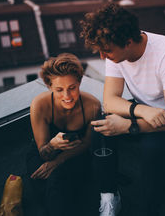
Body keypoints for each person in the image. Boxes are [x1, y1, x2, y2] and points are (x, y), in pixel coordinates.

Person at [80, 2, 165, 216]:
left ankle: (149, 210)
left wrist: (128, 127)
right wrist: (141, 111)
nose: (103, 57)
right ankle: (109, 196)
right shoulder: (115, 49)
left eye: (106, 52)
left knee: (152, 148)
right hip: (146, 110)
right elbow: (110, 101)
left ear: (128, 42)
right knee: (100, 124)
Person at [26, 53, 101, 216]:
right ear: (49, 86)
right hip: (43, 154)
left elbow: (87, 143)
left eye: (72, 88)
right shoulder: (39, 105)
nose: (67, 96)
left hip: (75, 154)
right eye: (59, 90)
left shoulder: (93, 106)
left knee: (64, 185)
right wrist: (53, 145)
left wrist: (59, 160)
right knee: (53, 184)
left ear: (80, 82)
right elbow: (44, 154)